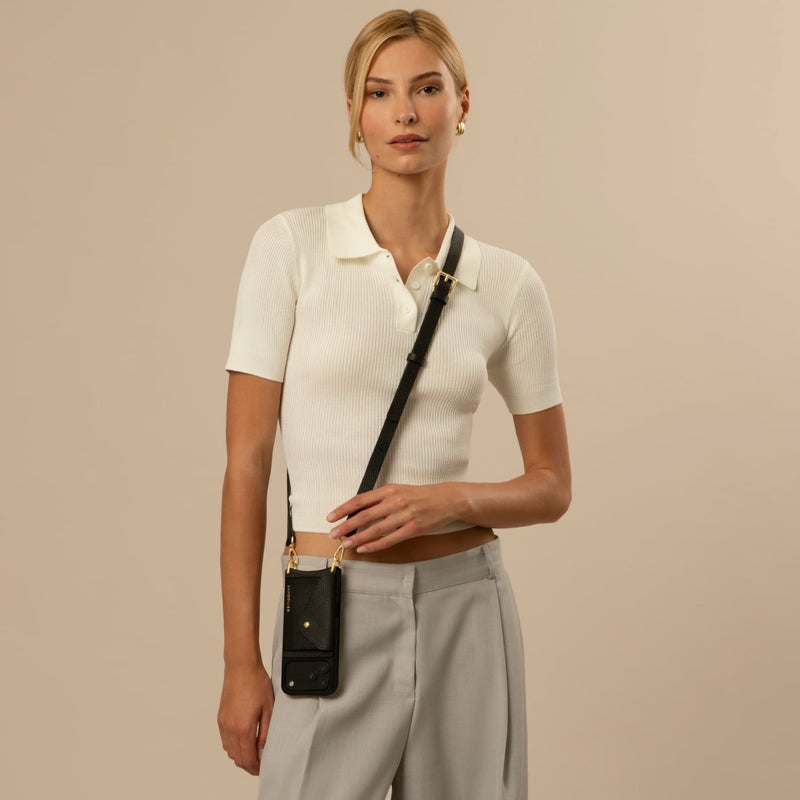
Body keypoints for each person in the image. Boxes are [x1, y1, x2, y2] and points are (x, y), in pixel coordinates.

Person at [217, 9, 571, 799]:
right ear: (353, 112)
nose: (404, 112)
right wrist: (241, 661)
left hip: (466, 605)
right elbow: (246, 463)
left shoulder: (508, 283)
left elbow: (553, 485)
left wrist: (448, 500)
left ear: (463, 104)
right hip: (330, 608)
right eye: (379, 93)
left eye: (427, 88)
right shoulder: (292, 247)